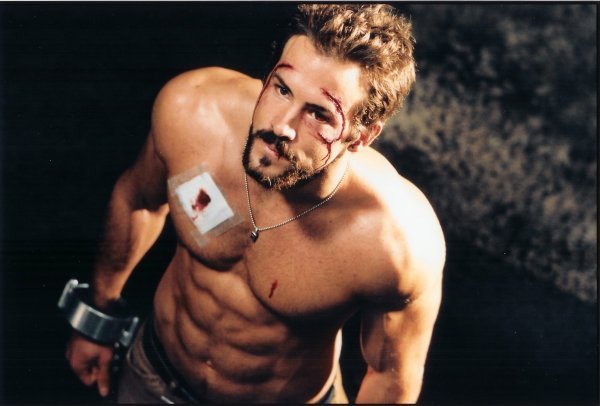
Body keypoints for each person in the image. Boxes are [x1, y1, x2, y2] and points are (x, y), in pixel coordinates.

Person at [63, 4, 445, 403]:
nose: (281, 125)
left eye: (319, 114)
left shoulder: (396, 242)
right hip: (154, 376)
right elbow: (137, 201)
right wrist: (97, 319)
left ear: (362, 136)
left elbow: (390, 378)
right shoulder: (194, 112)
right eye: (282, 88)